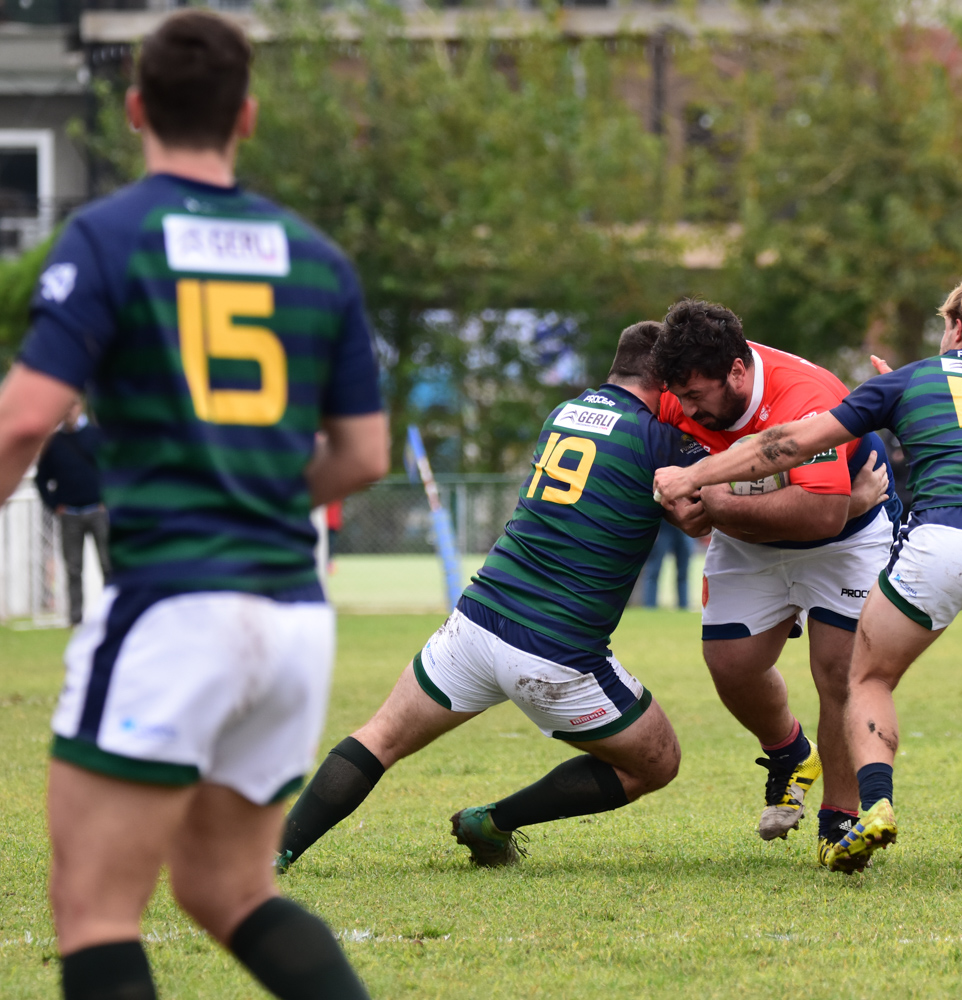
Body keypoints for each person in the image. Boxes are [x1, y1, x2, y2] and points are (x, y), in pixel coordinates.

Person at [0, 12, 389, 999]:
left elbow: (24, 419)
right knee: (228, 889)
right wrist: (253, 494)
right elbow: (364, 455)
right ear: (245, 117)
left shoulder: (110, 235)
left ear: (135, 109)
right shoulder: (315, 258)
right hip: (290, 620)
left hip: (173, 610)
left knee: (95, 910)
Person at [652, 277, 962, 887]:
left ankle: (871, 809)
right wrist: (908, 402)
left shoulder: (912, 381)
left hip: (940, 542)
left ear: (955, 327)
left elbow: (789, 443)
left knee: (865, 678)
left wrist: (698, 478)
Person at [275, 323, 710, 872]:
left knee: (381, 736)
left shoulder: (564, 412)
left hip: (477, 620)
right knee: (658, 761)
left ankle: (273, 853)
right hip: (555, 651)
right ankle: (494, 821)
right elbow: (699, 519)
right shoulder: (657, 439)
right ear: (665, 383)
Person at [651, 299, 896, 863]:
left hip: (845, 538)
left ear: (737, 371)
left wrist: (716, 506)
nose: (686, 409)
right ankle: (790, 754)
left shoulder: (805, 398)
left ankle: (839, 822)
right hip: (751, 541)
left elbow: (823, 515)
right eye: (679, 396)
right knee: (731, 666)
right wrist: (676, 506)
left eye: (696, 395)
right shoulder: (676, 391)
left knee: (838, 674)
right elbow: (671, 481)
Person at [35, 399, 110, 625]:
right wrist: (55, 505)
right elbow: (41, 479)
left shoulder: (96, 436)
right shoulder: (54, 442)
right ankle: (75, 618)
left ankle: (111, 614)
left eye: (73, 406)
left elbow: (112, 468)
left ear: (81, 406)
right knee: (73, 569)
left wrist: (108, 500)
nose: (69, 411)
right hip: (70, 514)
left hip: (97, 511)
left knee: (108, 565)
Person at [642, 521, 695, 609]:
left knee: (683, 573)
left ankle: (684, 606)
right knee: (653, 571)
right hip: (663, 527)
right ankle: (650, 606)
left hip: (685, 528)